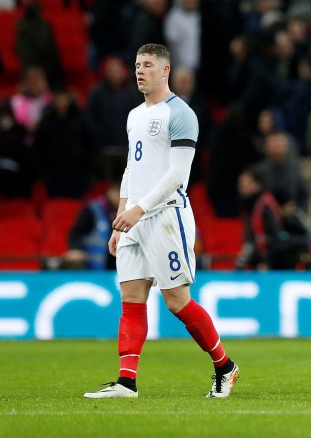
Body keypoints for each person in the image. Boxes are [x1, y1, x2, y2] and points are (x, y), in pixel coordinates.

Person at [83, 44, 239, 399]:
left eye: (148, 65)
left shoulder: (181, 113)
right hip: (134, 219)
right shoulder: (134, 115)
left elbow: (178, 175)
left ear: (165, 70)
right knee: (132, 297)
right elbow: (130, 169)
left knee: (176, 300)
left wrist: (140, 210)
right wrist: (122, 214)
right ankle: (126, 382)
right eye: (137, 64)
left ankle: (225, 366)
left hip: (166, 215)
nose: (140, 70)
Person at [65, 185, 121, 270]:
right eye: (119, 195)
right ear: (111, 192)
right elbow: (75, 232)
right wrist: (75, 249)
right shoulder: (92, 210)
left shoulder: (124, 214)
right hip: (92, 268)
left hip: (115, 268)